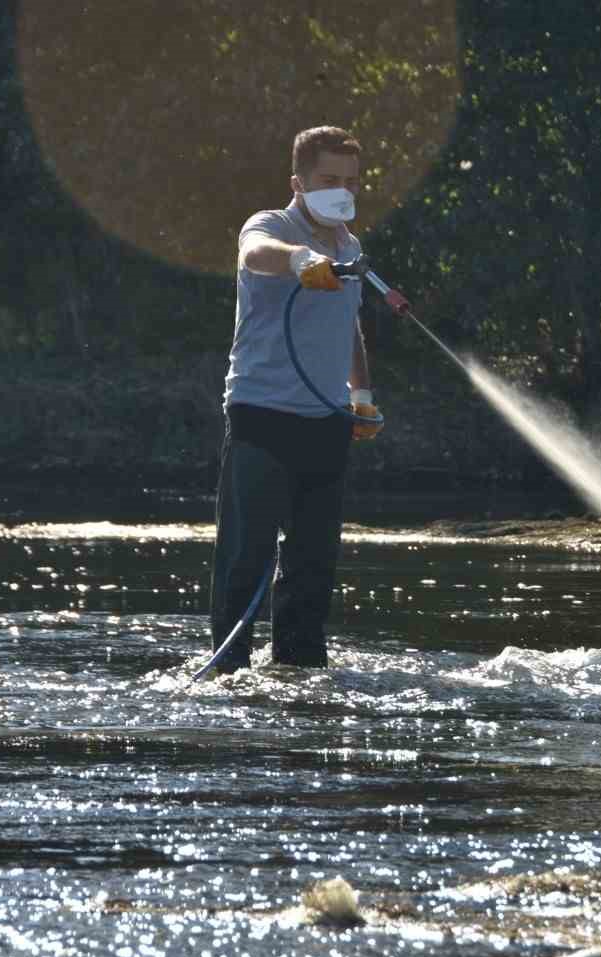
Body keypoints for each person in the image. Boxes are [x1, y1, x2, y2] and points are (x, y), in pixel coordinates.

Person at [208, 125, 382, 672]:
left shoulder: (349, 245)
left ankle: (300, 674)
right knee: (248, 557)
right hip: (261, 415)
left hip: (326, 422)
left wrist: (362, 394)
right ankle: (228, 670)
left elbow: (348, 322)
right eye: (329, 179)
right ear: (298, 181)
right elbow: (256, 254)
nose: (342, 190)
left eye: (351, 181)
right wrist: (298, 260)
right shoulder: (271, 226)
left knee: (313, 565)